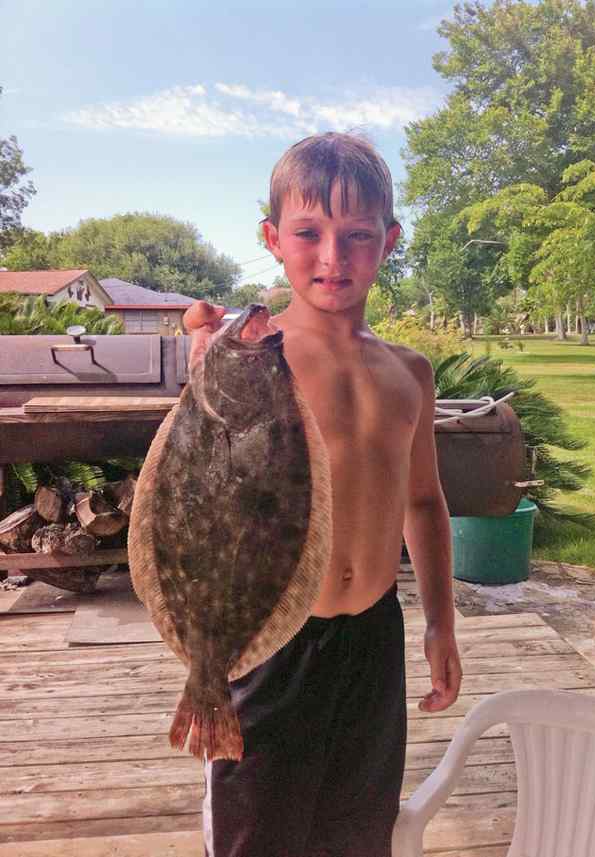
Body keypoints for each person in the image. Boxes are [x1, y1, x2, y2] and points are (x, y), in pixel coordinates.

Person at [183, 132, 462, 857]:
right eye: (309, 233)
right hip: (270, 641)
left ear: (389, 241)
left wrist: (441, 623)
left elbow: (423, 502)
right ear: (273, 239)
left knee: (358, 835)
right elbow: (197, 495)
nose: (333, 257)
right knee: (256, 838)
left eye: (358, 235)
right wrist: (206, 368)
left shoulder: (411, 372)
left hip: (373, 638)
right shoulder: (250, 358)